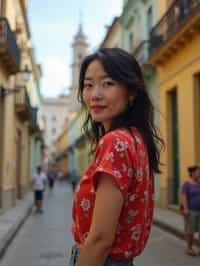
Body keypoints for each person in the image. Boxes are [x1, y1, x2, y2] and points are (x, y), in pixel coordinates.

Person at [69, 48, 163, 266]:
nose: (95, 95)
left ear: (131, 92)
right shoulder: (136, 139)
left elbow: (101, 239)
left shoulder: (116, 143)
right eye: (88, 85)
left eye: (108, 83)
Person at [180, 165, 200, 256]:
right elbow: (183, 196)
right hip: (191, 211)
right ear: (192, 173)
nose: (199, 173)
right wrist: (185, 208)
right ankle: (189, 248)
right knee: (190, 231)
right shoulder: (187, 184)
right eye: (197, 171)